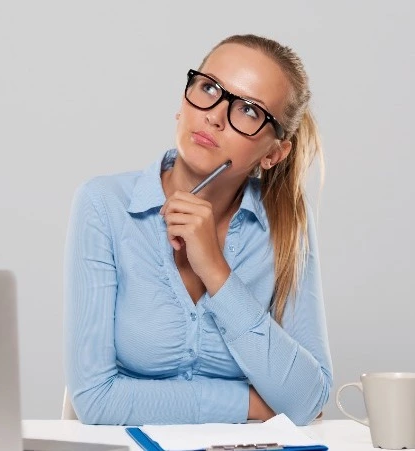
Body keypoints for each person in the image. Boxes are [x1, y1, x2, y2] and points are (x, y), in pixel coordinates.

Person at [64, 34, 332, 426]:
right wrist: (251, 405)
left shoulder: (287, 223)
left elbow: (308, 399)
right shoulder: (104, 204)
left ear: (273, 153)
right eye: (209, 88)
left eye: (249, 110)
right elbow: (95, 399)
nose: (215, 116)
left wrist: (216, 272)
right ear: (183, 102)